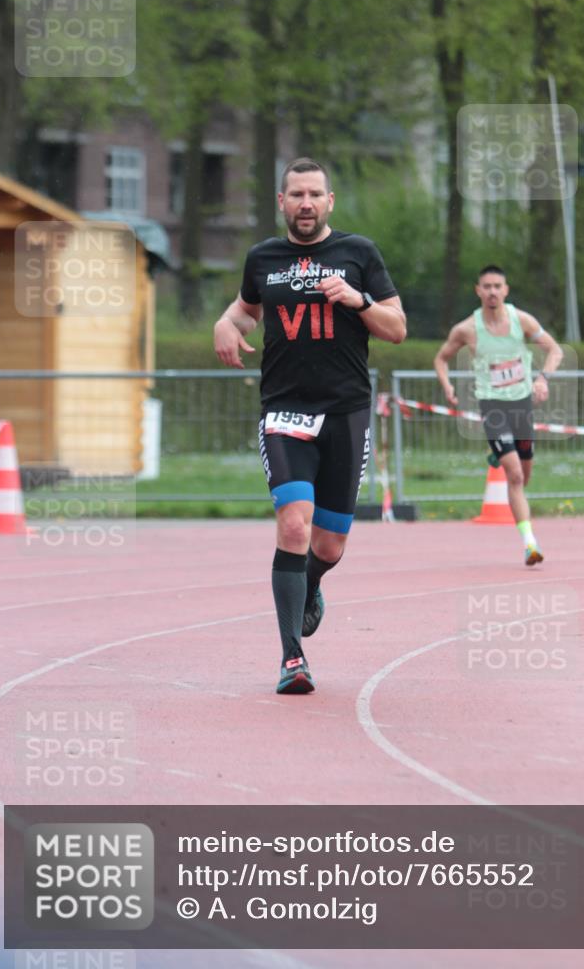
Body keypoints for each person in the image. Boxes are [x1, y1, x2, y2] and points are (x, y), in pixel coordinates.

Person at [214, 157, 406, 694]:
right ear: (281, 202)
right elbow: (244, 310)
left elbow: (397, 329)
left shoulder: (358, 254)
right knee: (293, 524)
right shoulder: (263, 258)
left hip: (345, 413)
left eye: (314, 194)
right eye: (295, 194)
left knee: (328, 547)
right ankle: (291, 659)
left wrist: (358, 298)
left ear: (329, 202)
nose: (305, 203)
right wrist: (224, 325)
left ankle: (312, 584)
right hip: (284, 409)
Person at [434, 265, 563, 565]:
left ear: (506, 290)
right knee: (514, 475)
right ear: (478, 291)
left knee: (524, 475)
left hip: (522, 404)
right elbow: (441, 358)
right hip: (491, 406)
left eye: (497, 286)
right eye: (487, 286)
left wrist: (543, 378)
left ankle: (497, 455)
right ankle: (530, 544)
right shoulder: (467, 328)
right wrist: (447, 385)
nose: (492, 291)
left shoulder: (522, 321)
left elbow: (555, 350)